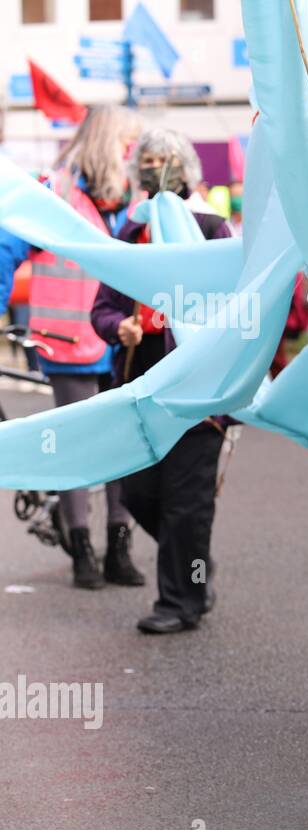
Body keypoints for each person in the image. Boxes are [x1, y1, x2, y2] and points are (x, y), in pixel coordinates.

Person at [90, 129, 233, 634]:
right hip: (139, 386)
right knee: (137, 493)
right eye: (147, 160)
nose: (155, 168)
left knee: (184, 502)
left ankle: (179, 601)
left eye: (164, 159)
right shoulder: (131, 235)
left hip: (197, 393)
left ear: (185, 166)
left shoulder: (213, 228)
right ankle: (191, 562)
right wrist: (118, 327)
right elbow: (102, 308)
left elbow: (238, 305)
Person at [0, 106, 145, 590]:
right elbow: (7, 250)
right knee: (76, 449)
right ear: (109, 141)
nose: (135, 151)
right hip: (69, 344)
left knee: (122, 446)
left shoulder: (138, 197)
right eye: (129, 141)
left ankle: (118, 547)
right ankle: (82, 548)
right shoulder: (53, 192)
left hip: (126, 343)